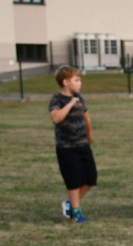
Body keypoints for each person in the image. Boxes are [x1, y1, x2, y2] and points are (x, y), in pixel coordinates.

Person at [48, 66, 96, 224]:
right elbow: (56, 118)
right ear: (65, 82)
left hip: (82, 145)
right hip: (66, 148)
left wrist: (89, 135)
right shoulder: (57, 99)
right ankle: (76, 212)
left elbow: (86, 117)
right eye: (77, 80)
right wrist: (69, 104)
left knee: (90, 178)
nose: (80, 83)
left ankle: (69, 204)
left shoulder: (79, 97)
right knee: (74, 180)